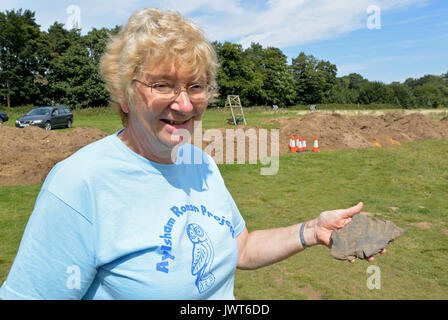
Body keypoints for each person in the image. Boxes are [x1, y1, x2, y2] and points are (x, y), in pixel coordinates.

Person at [0, 8, 385, 300]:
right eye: (163, 85)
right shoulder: (80, 183)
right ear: (124, 94)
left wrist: (310, 231)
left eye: (196, 86)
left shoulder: (199, 162)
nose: (184, 104)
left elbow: (241, 248)